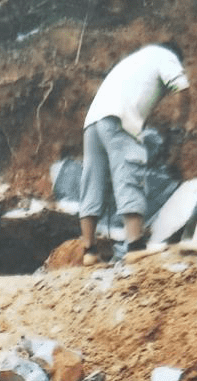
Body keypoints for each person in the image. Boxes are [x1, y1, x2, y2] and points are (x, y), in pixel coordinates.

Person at [79, 41, 189, 265]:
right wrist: (182, 124)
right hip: (118, 119)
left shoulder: (134, 61)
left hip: (92, 121)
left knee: (92, 182)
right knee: (129, 174)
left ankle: (89, 252)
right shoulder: (167, 55)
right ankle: (135, 247)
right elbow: (183, 89)